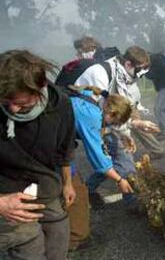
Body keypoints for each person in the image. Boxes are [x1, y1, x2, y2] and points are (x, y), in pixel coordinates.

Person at [0, 50, 76, 260]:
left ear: (39, 89)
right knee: (28, 240)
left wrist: (67, 182)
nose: (13, 109)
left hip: (43, 184)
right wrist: (1, 203)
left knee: (58, 232)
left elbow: (65, 149)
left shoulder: (60, 104)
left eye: (22, 104)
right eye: (7, 102)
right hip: (5, 191)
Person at [74, 45, 161, 205]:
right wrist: (119, 179)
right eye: (139, 70)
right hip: (90, 119)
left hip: (103, 119)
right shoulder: (99, 74)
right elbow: (107, 114)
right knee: (122, 157)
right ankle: (134, 201)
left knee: (116, 157)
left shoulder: (126, 76)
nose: (140, 76)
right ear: (128, 64)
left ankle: (87, 189)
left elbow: (117, 112)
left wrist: (126, 133)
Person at [66, 85, 135, 250]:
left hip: (50, 136)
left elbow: (103, 131)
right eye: (116, 123)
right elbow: (99, 160)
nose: (113, 126)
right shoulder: (91, 115)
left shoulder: (92, 98)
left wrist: (124, 135)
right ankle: (75, 239)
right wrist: (120, 180)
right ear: (111, 114)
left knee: (72, 184)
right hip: (47, 143)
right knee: (77, 191)